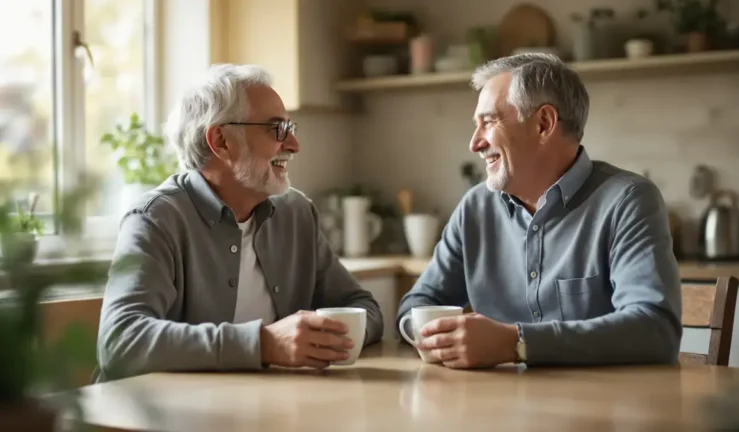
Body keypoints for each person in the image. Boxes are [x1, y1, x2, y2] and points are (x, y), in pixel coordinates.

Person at [96, 64, 383, 381]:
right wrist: (265, 344)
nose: (294, 145)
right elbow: (120, 342)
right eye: (276, 129)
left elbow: (362, 306)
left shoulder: (296, 213)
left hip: (265, 401)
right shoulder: (155, 219)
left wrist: (325, 336)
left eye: (290, 128)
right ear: (221, 141)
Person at [397, 53, 682, 368]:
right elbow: (417, 305)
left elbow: (655, 330)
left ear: (544, 123)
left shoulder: (628, 201)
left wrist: (516, 343)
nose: (475, 143)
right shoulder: (475, 207)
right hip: (492, 398)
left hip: (598, 399)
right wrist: (431, 335)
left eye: (489, 122)